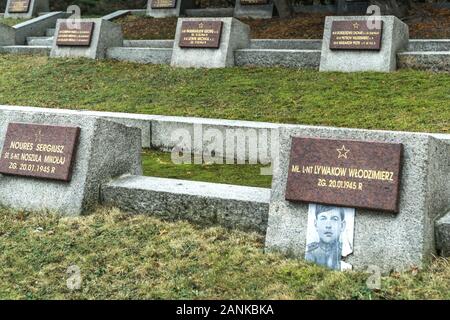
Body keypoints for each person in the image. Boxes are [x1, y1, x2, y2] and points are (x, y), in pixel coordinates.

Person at [305, 205, 346, 270]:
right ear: (316, 224)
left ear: (342, 225)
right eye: (323, 218)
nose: (328, 225)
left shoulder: (345, 251)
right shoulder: (310, 253)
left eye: (334, 219)